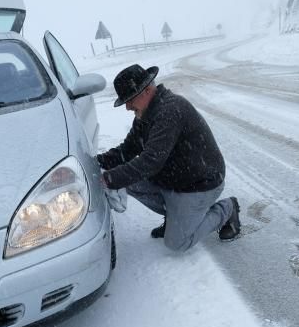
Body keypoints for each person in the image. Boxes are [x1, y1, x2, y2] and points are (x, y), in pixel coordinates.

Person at [95, 63, 240, 252]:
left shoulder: (170, 111)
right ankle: (175, 218)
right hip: (173, 179)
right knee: (126, 181)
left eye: (130, 100)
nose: (128, 107)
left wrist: (108, 179)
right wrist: (96, 162)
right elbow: (128, 149)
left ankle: (227, 209)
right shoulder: (146, 114)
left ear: (147, 90)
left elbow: (150, 161)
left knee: (177, 243)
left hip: (199, 185)